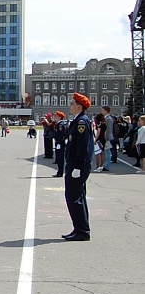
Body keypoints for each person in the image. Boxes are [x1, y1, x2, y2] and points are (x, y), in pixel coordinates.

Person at [63, 93, 93, 241]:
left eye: (72, 103)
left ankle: (82, 230)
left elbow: (82, 146)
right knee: (78, 197)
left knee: (74, 198)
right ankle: (79, 228)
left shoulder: (82, 122)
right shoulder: (78, 121)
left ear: (79, 106)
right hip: (75, 165)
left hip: (78, 166)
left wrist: (78, 166)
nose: (70, 105)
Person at [52, 111, 68, 178]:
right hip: (58, 143)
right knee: (58, 158)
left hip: (60, 143)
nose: (55, 117)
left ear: (59, 117)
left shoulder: (60, 125)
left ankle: (60, 172)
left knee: (60, 158)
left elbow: (62, 135)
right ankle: (59, 171)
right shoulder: (58, 124)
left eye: (56, 116)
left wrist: (59, 142)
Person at [102, 106, 116, 171]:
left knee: (107, 152)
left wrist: (106, 138)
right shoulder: (107, 118)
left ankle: (107, 166)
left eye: (103, 110)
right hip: (107, 137)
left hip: (107, 137)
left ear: (105, 110)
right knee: (106, 151)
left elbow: (108, 129)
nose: (102, 112)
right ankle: (105, 164)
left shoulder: (108, 119)